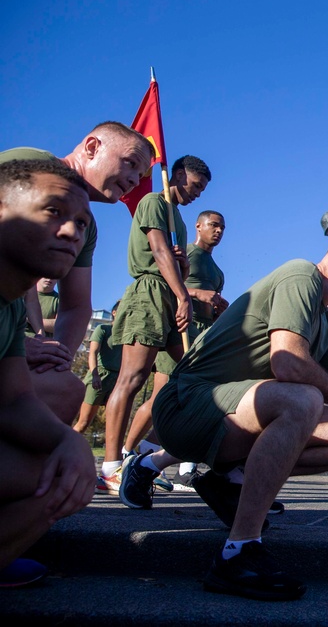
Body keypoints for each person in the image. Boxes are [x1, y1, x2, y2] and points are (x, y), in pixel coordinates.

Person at [149, 224, 328, 600]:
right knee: (303, 400)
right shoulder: (301, 276)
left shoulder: (324, 322)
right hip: (188, 406)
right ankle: (238, 552)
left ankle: (228, 480)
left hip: (233, 416)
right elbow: (289, 364)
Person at [0, 124, 154, 424]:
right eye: (131, 163)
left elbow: (76, 305)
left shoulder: (84, 227)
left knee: (65, 389)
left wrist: (57, 360)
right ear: (93, 147)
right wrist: (12, 344)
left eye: (141, 174)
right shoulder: (30, 166)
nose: (136, 179)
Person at [0, 159, 95, 587]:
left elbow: (14, 399)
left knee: (62, 471)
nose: (73, 232)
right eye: (53, 212)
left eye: (81, 223)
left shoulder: (10, 305)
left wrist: (68, 441)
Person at [100, 156, 211, 496]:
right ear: (177, 175)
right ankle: (110, 468)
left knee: (192, 375)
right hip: (149, 294)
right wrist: (183, 297)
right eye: (194, 186)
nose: (197, 194)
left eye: (202, 190)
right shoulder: (153, 201)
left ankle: (144, 458)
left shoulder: (176, 215)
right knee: (132, 379)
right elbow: (158, 251)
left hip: (168, 294)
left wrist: (181, 267)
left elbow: (173, 260)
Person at [120, 209, 228, 494]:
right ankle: (125, 455)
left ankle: (148, 455)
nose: (218, 231)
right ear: (199, 226)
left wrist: (218, 310)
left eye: (222, 228)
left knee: (187, 401)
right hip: (179, 330)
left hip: (202, 337)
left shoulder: (217, 270)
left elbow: (211, 303)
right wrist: (196, 295)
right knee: (162, 395)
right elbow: (170, 282)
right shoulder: (188, 254)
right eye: (214, 225)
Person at [73, 302, 122, 442]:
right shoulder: (103, 329)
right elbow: (93, 352)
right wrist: (95, 375)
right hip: (100, 376)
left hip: (117, 379)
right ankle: (64, 448)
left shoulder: (127, 333)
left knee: (114, 424)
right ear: (114, 312)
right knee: (84, 422)